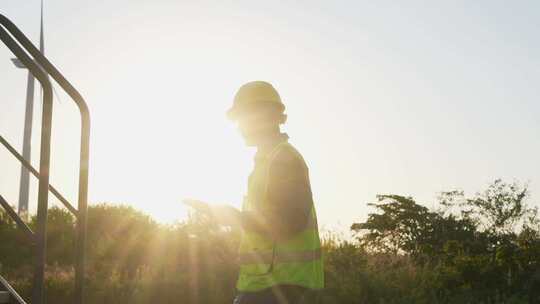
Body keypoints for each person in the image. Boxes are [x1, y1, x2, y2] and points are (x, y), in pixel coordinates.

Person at [186, 81, 324, 304]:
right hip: (268, 283)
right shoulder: (266, 161)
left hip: (279, 286)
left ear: (263, 117)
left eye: (243, 119)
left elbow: (291, 222)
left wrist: (231, 215)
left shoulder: (283, 159)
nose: (239, 127)